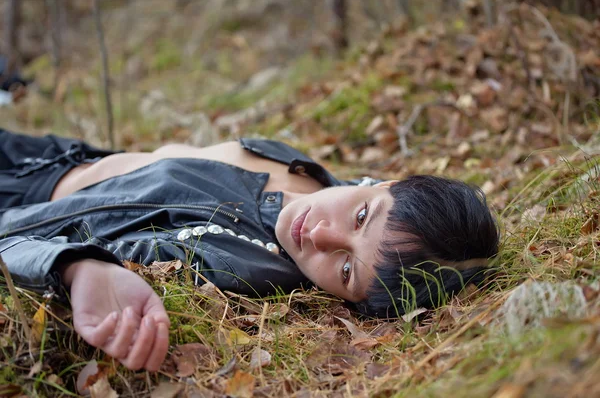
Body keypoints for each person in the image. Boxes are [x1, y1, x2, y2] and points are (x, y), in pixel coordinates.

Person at [0, 128, 499, 372]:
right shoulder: (312, 176)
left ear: (348, 300)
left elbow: (27, 244)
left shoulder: (236, 261)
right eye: (362, 216)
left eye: (346, 269)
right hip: (46, 154)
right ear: (388, 181)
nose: (320, 236)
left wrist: (79, 267)